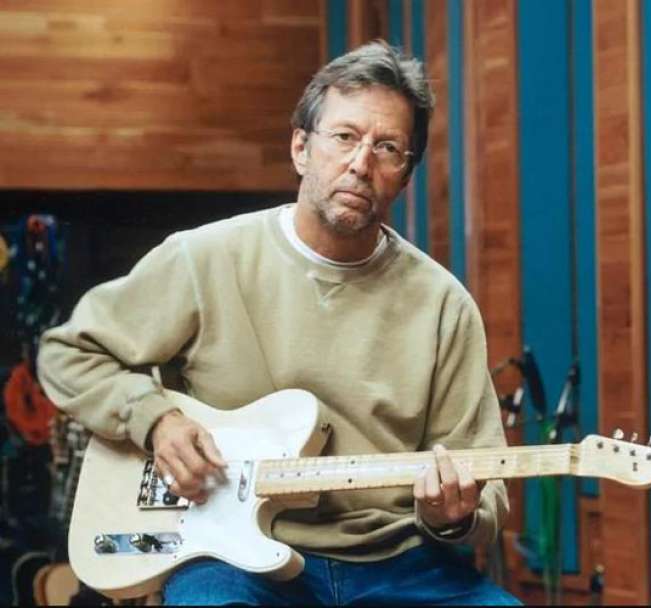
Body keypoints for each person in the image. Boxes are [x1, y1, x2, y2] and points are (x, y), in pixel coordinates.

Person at [37, 40, 520, 606]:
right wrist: (155, 420)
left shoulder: (444, 305)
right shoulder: (203, 258)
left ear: (405, 174)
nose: (360, 164)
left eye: (387, 147)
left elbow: (485, 487)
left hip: (400, 563)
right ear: (300, 148)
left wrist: (453, 516)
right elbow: (68, 354)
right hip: (229, 558)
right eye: (344, 136)